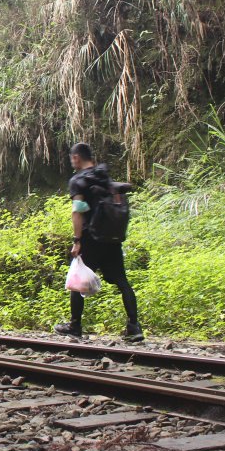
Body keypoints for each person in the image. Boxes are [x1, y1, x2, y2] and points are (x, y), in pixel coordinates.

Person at [54, 142, 144, 342]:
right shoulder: (104, 176)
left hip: (90, 238)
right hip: (112, 238)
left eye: (72, 158)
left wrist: (77, 240)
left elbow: (77, 211)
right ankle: (134, 326)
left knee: (77, 281)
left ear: (76, 157)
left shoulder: (78, 181)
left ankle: (75, 326)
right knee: (122, 281)